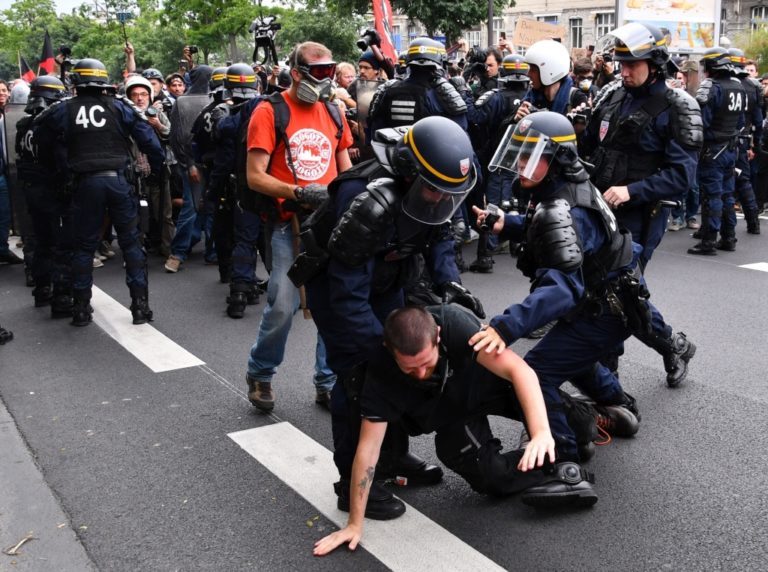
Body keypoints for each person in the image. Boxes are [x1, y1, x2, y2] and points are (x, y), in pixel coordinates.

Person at [471, 111, 691, 467]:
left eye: (531, 156)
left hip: (601, 307)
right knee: (568, 355)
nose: (521, 165)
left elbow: (560, 290)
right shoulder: (567, 188)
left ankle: (564, 460)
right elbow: (551, 233)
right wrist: (504, 224)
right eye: (520, 153)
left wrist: (504, 326)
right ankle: (618, 405)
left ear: (556, 160)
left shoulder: (561, 208)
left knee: (536, 372)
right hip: (610, 300)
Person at [295, 116, 487, 519]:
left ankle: (393, 459)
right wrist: (382, 354)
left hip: (389, 277)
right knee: (361, 379)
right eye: (433, 190)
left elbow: (438, 238)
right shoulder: (364, 197)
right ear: (410, 174)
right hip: (339, 287)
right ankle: (352, 485)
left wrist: (450, 284)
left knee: (398, 371)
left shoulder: (440, 184)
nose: (439, 198)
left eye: (446, 193)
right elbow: (348, 294)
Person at [313, 304, 597, 556]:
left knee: (581, 428)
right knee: (493, 480)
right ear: (391, 351)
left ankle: (579, 423)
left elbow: (519, 371)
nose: (422, 374)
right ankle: (547, 463)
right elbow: (368, 449)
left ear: (438, 337)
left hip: (492, 384)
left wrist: (541, 432)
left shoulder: (454, 325)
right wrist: (354, 524)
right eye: (410, 369)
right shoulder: (380, 373)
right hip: (454, 415)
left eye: (426, 363)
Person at [243, 41, 353, 410]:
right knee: (282, 304)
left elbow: (344, 170)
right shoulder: (268, 111)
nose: (325, 81)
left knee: (334, 303)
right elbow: (255, 176)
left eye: (329, 72)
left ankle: (328, 380)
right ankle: (260, 373)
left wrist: (349, 201)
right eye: (317, 72)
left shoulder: (334, 114)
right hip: (286, 223)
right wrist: (299, 192)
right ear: (296, 73)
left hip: (328, 224)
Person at [34, 58, 164, 326]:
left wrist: (61, 172)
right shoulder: (119, 107)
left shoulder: (63, 110)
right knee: (131, 245)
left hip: (84, 184)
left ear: (76, 82)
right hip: (118, 181)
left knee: (83, 248)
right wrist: (158, 171)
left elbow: (41, 143)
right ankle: (140, 307)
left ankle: (81, 309)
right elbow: (149, 142)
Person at [585, 22, 701, 268]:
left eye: (632, 65)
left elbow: (682, 175)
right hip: (597, 206)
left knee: (621, 289)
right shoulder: (613, 95)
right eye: (622, 64)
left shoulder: (678, 106)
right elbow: (591, 145)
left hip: (640, 215)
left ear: (655, 65)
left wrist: (632, 190)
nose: (624, 72)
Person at [14, 75, 72, 316]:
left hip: (32, 191)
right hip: (53, 192)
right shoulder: (51, 127)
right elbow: (61, 163)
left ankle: (42, 291)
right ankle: (61, 300)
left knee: (41, 243)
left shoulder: (24, 125)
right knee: (61, 246)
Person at [688, 46, 745, 255]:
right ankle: (729, 237)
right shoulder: (738, 86)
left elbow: (702, 123)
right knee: (727, 194)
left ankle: (709, 241)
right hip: (731, 148)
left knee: (711, 196)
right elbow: (741, 122)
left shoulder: (711, 87)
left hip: (713, 150)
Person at [728, 48, 762, 236]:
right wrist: (754, 145)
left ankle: (721, 231)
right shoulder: (753, 86)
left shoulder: (726, 84)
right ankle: (753, 222)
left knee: (722, 184)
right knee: (744, 181)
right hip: (743, 140)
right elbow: (757, 119)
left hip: (726, 140)